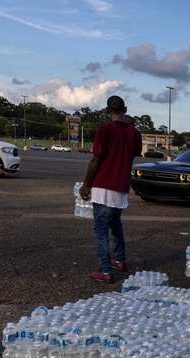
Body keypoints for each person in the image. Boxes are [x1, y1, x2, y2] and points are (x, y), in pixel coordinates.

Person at [79, 95, 142, 284]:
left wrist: (86, 184)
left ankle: (106, 271)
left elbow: (96, 159)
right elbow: (133, 154)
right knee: (116, 224)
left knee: (100, 230)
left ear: (107, 111)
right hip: (121, 187)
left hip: (103, 186)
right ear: (126, 109)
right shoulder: (135, 133)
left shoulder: (104, 130)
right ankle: (120, 260)